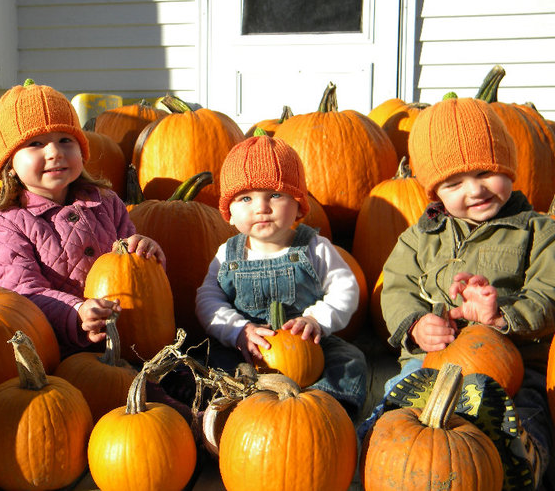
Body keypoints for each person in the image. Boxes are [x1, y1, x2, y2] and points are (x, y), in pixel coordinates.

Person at [369, 96, 555, 488]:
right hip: (431, 362)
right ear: (435, 192)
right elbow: (395, 286)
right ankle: (377, 443)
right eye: (454, 183)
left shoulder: (538, 231)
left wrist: (501, 317)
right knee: (397, 400)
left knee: (528, 408)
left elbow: (548, 293)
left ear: (509, 166)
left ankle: (526, 460)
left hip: (512, 365)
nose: (474, 190)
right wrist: (416, 324)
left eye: (486, 172)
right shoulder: (420, 237)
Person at [0, 80, 165, 358]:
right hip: (62, 350)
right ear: (10, 165)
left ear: (82, 149)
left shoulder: (106, 202)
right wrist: (77, 312)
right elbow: (24, 294)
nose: (54, 152)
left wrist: (147, 254)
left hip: (127, 335)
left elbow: (132, 268)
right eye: (35, 144)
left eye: (65, 140)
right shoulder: (6, 221)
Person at [195, 132, 367, 416]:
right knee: (211, 361)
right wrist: (238, 330)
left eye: (275, 195)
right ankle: (227, 412)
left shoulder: (313, 247)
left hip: (309, 347)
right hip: (249, 349)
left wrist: (316, 319)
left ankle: (326, 409)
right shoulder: (228, 253)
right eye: (246, 198)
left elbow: (345, 288)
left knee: (350, 359)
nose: (261, 207)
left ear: (299, 204)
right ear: (229, 213)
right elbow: (209, 300)